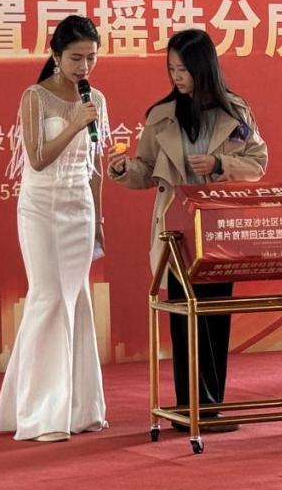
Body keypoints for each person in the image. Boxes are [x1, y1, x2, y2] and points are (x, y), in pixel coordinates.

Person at [107, 29, 267, 431]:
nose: (176, 76)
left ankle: (211, 408)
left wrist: (219, 166)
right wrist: (123, 170)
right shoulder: (161, 115)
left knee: (215, 316)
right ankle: (187, 407)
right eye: (171, 68)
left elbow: (258, 162)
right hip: (176, 232)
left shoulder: (235, 112)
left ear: (203, 67)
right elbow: (145, 171)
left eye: (183, 69)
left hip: (219, 230)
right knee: (184, 318)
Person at [0, 15, 110, 442]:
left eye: (91, 58)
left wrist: (98, 219)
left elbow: (94, 165)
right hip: (40, 208)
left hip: (80, 208)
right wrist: (75, 122)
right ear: (56, 55)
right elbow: (38, 158)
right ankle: (39, 413)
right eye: (76, 58)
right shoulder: (35, 97)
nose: (84, 67)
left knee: (75, 299)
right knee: (47, 296)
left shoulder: (96, 99)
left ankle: (77, 410)